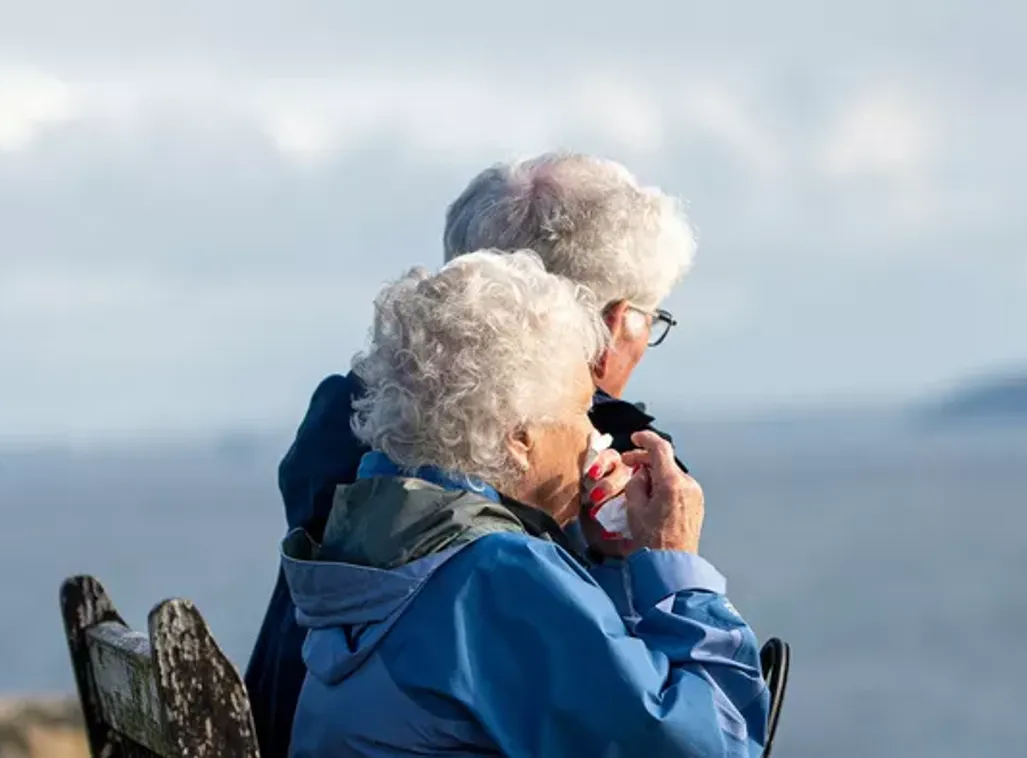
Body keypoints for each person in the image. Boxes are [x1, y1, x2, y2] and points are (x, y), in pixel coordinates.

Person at [244, 152, 698, 756]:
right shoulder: (524, 521)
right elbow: (665, 730)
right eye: (651, 317)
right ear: (612, 324)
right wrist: (666, 568)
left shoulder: (356, 425)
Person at [284, 251, 769, 757]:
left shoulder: (377, 545)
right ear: (519, 438)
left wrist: (612, 563)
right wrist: (674, 567)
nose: (594, 435)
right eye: (582, 411)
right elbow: (713, 745)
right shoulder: (496, 574)